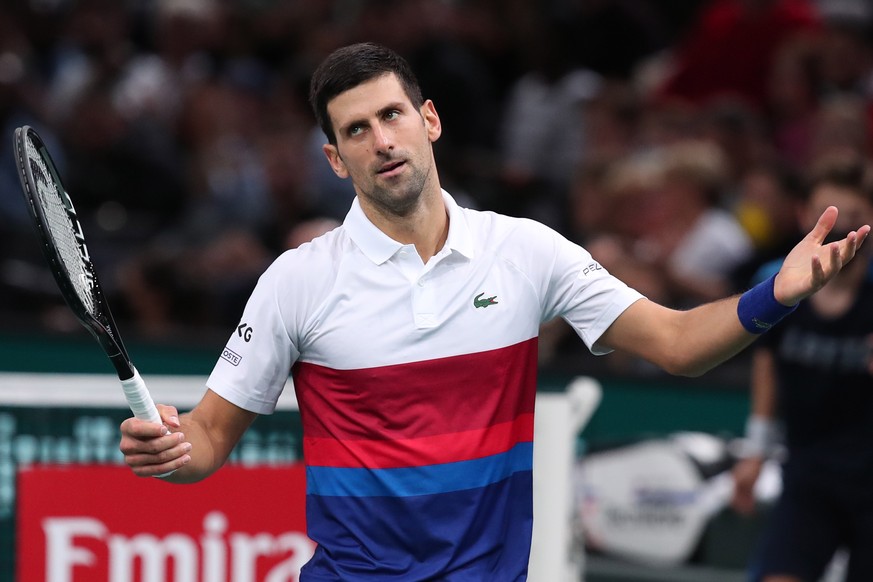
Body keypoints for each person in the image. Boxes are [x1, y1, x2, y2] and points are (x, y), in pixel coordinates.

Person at [119, 43, 870, 581]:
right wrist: (173, 453)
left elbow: (674, 342)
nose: (381, 141)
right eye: (355, 130)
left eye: (391, 115)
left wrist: (773, 294)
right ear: (334, 159)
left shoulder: (525, 252)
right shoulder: (297, 281)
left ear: (430, 120)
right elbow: (211, 440)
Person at [731, 153, 873, 582]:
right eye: (827, 216)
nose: (840, 228)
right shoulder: (776, 283)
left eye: (854, 216)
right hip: (808, 474)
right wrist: (755, 452)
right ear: (802, 217)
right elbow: (766, 365)